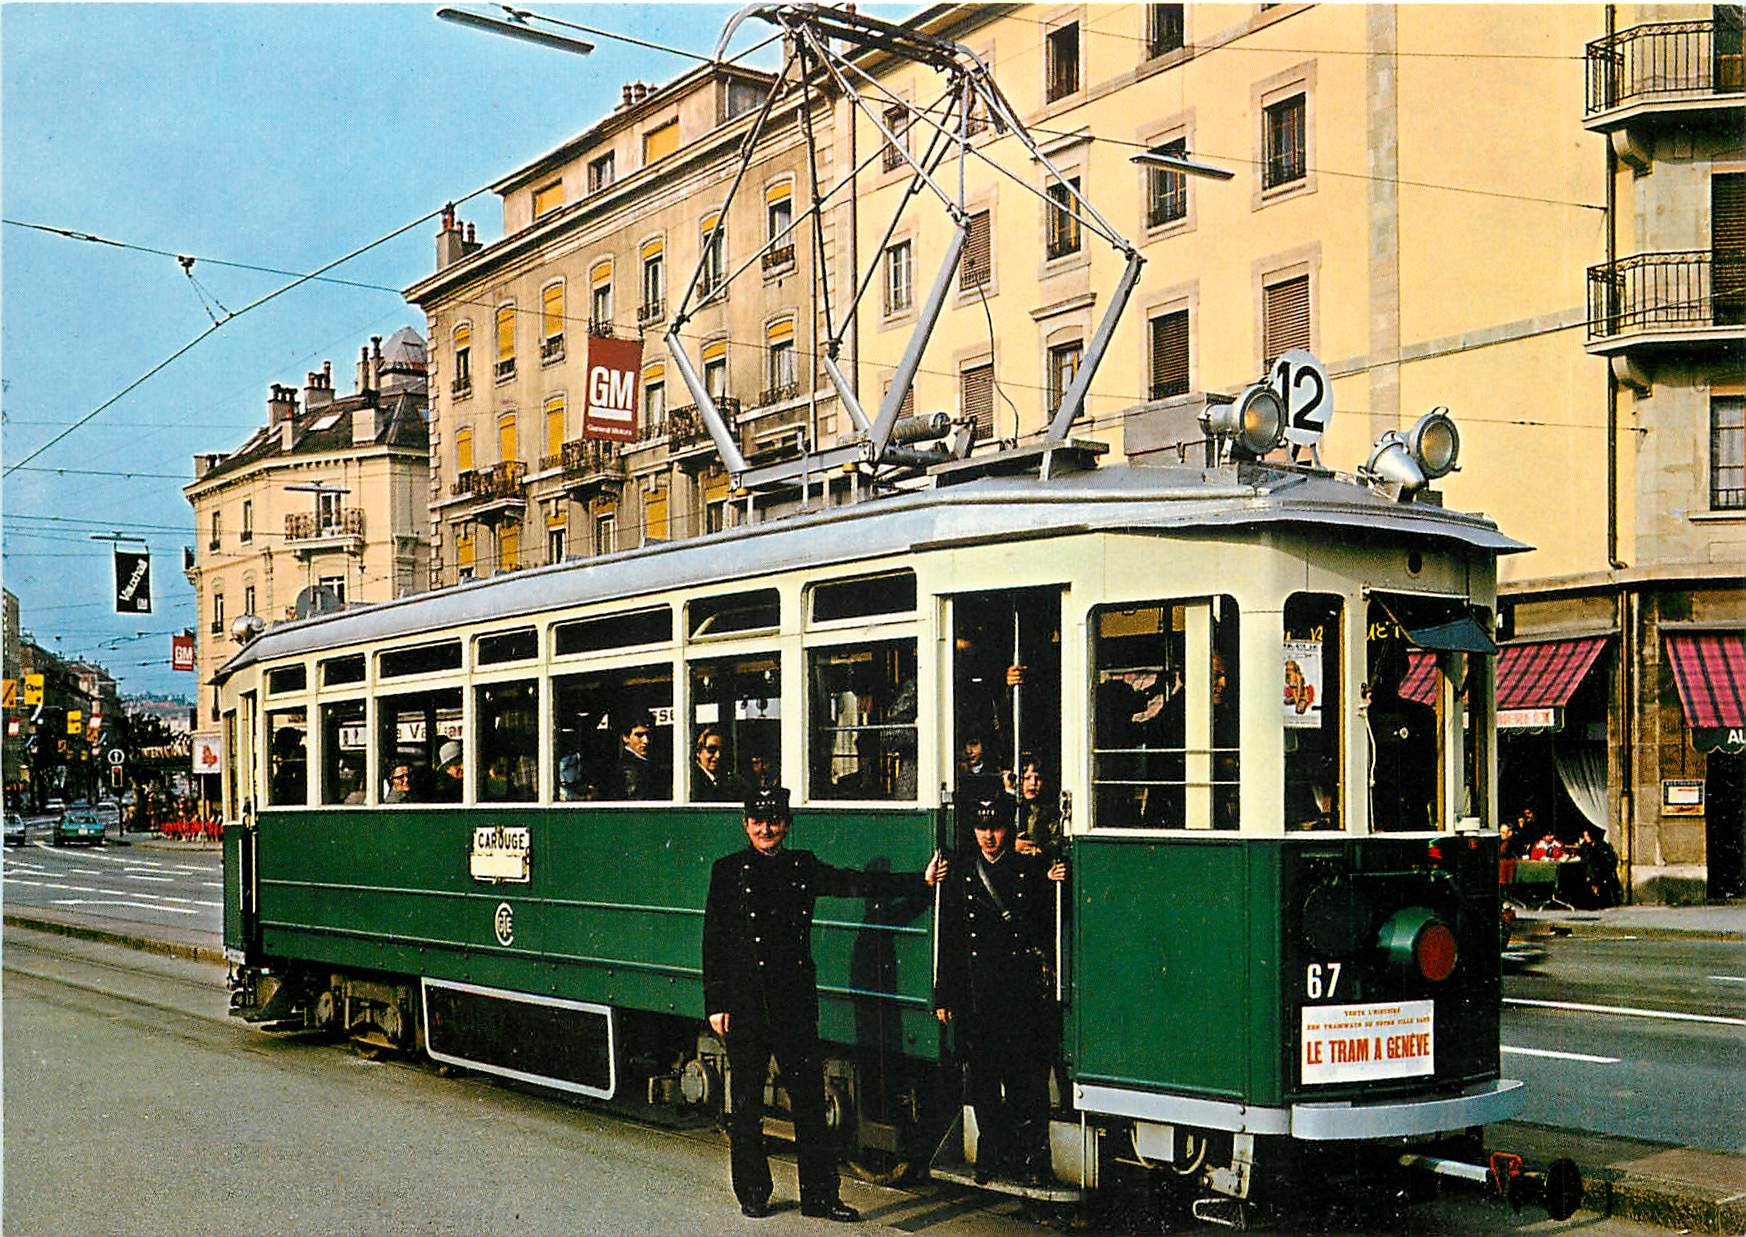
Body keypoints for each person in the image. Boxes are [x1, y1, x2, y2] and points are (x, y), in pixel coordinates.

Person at [703, 787, 946, 1221]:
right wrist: (716, 1002)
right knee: (746, 1106)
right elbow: (714, 939)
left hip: (793, 1002)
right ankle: (754, 1193)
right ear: (745, 824)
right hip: (746, 1004)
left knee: (811, 1106)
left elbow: (857, 882)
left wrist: (919, 881)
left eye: (775, 820)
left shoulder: (802, 866)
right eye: (758, 821)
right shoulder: (727, 871)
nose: (766, 829)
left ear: (787, 824)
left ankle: (820, 1197)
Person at [934, 796, 1067, 1187]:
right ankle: (991, 1156)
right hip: (978, 995)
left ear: (1008, 829)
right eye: (981, 829)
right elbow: (951, 937)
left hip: (1019, 994)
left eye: (995, 829)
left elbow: (1045, 924)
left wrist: (1054, 883)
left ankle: (1032, 1160)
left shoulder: (1029, 869)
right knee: (984, 1083)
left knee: (1026, 1081)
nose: (988, 837)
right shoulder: (961, 872)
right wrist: (944, 994)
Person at [1012, 758, 1061, 861]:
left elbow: (1056, 841)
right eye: (1027, 778)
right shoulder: (1009, 808)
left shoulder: (1048, 811)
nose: (1033, 783)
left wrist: (1038, 849)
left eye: (1037, 778)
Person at [691, 726, 748, 802]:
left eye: (721, 750)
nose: (718, 755)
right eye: (711, 749)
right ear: (698, 751)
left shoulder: (730, 781)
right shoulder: (692, 782)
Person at [1575, 824, 1623, 909]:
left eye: (1588, 835)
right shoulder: (1585, 846)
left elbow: (1607, 859)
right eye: (1585, 836)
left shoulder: (1602, 845)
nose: (1587, 837)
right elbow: (1584, 857)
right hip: (1591, 870)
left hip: (1601, 870)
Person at [615, 711, 656, 800]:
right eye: (639, 735)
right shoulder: (629, 769)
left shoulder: (643, 764)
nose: (646, 741)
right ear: (625, 737)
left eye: (648, 734)